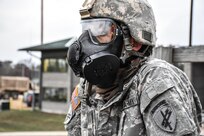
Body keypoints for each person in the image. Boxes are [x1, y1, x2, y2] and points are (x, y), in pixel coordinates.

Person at [64, 0, 202, 135]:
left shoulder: (155, 82)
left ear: (134, 41)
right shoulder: (86, 88)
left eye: (100, 29)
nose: (85, 41)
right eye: (87, 29)